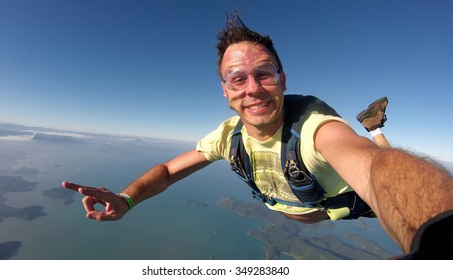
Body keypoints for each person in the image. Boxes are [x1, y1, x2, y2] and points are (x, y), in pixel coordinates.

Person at [62, 12, 453, 259]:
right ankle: (376, 127)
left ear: (282, 80)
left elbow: (375, 170)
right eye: (237, 78)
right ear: (225, 92)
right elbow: (167, 170)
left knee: (375, 153)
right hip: (306, 208)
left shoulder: (315, 129)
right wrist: (128, 199)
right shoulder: (227, 135)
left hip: (340, 206)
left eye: (264, 74)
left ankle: (375, 130)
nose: (252, 88)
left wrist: (439, 234)